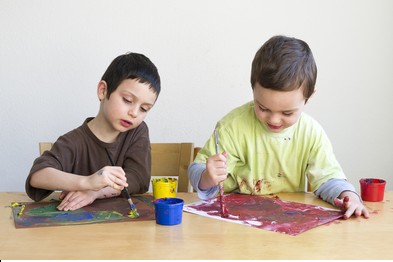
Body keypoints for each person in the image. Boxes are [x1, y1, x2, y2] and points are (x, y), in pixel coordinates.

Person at [188, 35, 369, 219]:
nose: (274, 120)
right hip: (236, 223)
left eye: (287, 113)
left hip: (287, 220)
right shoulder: (232, 127)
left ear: (308, 97)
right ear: (253, 89)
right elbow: (197, 170)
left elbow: (328, 180)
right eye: (263, 108)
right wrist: (206, 177)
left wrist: (349, 196)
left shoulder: (311, 133)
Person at [26, 52, 161, 211]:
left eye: (144, 109)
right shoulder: (73, 141)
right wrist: (87, 182)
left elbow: (138, 178)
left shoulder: (137, 131)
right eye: (127, 100)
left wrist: (94, 192)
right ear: (103, 90)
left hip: (123, 230)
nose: (134, 113)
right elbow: (37, 176)